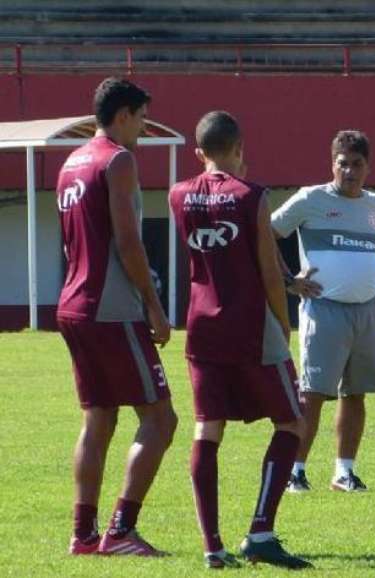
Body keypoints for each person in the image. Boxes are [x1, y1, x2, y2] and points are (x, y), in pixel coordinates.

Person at [169, 111, 312, 569]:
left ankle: (212, 546)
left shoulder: (177, 195)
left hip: (201, 327)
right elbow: (270, 270)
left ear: (198, 153)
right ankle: (261, 532)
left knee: (207, 428)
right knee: (292, 422)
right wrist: (283, 323)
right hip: (251, 325)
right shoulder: (252, 196)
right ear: (239, 149)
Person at [57, 77, 178, 556]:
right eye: (142, 117)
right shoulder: (118, 159)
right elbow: (128, 242)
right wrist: (153, 303)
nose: (144, 128)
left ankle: (83, 535)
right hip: (111, 307)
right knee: (161, 420)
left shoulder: (71, 161)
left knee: (98, 420)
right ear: (123, 114)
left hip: (73, 303)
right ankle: (121, 531)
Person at [272, 130, 375, 493]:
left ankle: (344, 472)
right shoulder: (311, 199)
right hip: (323, 309)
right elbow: (266, 233)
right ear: (333, 165)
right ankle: (295, 471)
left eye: (356, 164)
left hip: (366, 311)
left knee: (355, 393)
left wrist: (374, 274)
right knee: (312, 395)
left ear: (367, 168)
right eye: (342, 164)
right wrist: (288, 280)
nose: (349, 171)